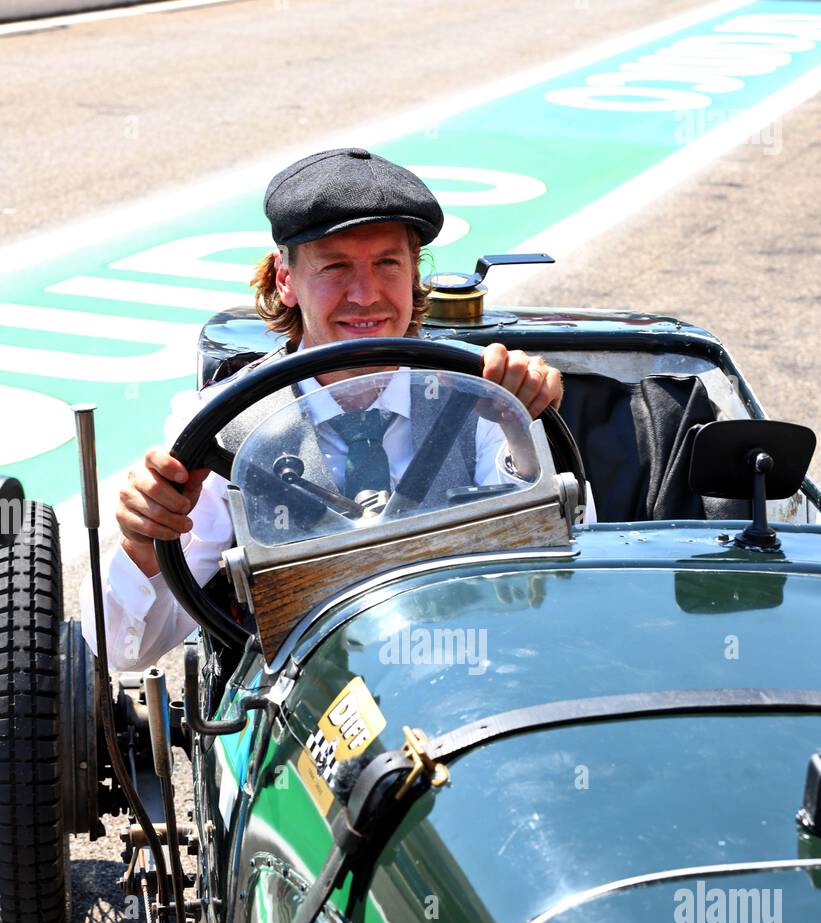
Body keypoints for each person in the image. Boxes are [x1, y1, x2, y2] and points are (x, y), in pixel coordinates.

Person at [81, 148, 590, 671]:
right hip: (299, 711)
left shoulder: (476, 400)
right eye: (336, 267)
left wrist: (520, 426)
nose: (365, 295)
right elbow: (128, 651)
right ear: (285, 279)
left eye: (387, 264)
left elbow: (556, 576)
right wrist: (143, 544)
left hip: (468, 680)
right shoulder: (223, 426)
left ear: (415, 274)